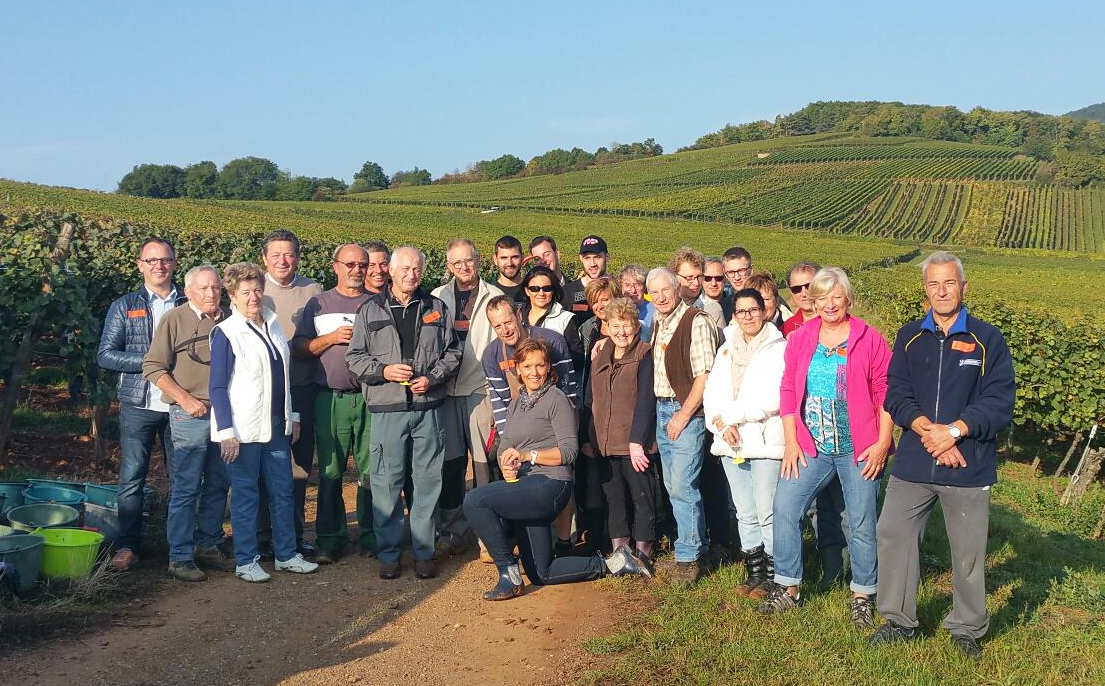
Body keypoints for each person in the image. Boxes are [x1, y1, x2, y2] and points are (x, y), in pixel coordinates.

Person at [870, 252, 1015, 659]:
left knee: (968, 552)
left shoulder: (989, 340)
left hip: (968, 463)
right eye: (933, 284)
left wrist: (953, 433)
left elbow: (999, 403)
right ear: (925, 291)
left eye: (949, 283)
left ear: (964, 287)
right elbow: (896, 394)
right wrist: (928, 432)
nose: (941, 291)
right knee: (893, 533)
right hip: (916, 461)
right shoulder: (909, 336)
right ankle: (899, 619)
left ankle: (966, 627)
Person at [463, 339, 651, 601]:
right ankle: (616, 564)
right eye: (527, 366)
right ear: (518, 369)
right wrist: (508, 463)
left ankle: (508, 572)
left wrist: (529, 455)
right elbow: (506, 444)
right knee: (542, 572)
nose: (534, 372)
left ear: (548, 366)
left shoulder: (556, 399)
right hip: (526, 486)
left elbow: (569, 452)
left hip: (551, 484)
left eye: (540, 365)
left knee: (475, 500)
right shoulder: (517, 403)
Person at [758, 268, 894, 630]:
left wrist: (882, 443)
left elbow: (886, 394)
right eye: (822, 298)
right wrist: (791, 441)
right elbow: (788, 390)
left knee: (862, 521)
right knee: (784, 506)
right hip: (811, 446)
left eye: (836, 296)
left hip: (858, 449)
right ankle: (788, 588)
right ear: (813, 303)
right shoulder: (802, 338)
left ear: (847, 298)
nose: (830, 304)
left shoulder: (869, 338)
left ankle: (863, 595)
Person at [346, 246, 462, 580]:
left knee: (426, 482)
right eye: (405, 269)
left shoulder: (436, 308)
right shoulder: (370, 311)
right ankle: (389, 553)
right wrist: (384, 371)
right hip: (387, 411)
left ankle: (424, 552)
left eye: (417, 269)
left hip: (428, 410)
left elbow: (453, 352)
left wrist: (434, 378)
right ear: (391, 272)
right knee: (386, 483)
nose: (411, 275)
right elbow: (354, 358)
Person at [209, 262, 319, 582]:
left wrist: (292, 416)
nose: (253, 297)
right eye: (246, 292)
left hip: (276, 425)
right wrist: (226, 432)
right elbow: (217, 386)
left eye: (257, 289)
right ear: (232, 296)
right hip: (243, 430)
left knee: (283, 490)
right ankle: (246, 561)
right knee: (246, 496)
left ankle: (286, 555)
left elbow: (283, 377)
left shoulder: (272, 325)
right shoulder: (227, 333)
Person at [97, 237, 184, 571]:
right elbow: (106, 355)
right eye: (151, 261)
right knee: (132, 476)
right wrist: (152, 361)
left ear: (174, 263)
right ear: (140, 265)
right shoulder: (125, 305)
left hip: (180, 402)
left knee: (183, 477)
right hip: (139, 402)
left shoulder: (190, 302)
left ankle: (178, 545)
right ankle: (128, 545)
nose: (158, 266)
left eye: (164, 260)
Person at [142, 265, 234, 582]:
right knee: (186, 487)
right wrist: (184, 399)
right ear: (189, 291)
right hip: (189, 415)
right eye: (204, 288)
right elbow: (153, 367)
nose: (211, 293)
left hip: (224, 416)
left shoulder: (230, 321)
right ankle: (180, 555)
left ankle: (208, 544)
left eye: (216, 288)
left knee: (219, 483)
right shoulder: (175, 319)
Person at [294, 243, 379, 563]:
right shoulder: (318, 303)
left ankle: (372, 534)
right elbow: (299, 347)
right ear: (336, 266)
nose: (357, 270)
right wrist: (331, 338)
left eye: (362, 265)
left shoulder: (377, 303)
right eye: (350, 264)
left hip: (371, 397)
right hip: (330, 398)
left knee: (372, 471)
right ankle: (331, 539)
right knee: (331, 471)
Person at [702, 288, 786, 600]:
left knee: (767, 510)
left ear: (765, 311)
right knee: (744, 510)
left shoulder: (778, 348)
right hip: (731, 443)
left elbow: (773, 397)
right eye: (741, 311)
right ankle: (755, 571)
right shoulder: (726, 350)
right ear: (734, 315)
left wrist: (733, 417)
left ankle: (777, 575)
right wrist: (720, 426)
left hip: (764, 441)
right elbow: (712, 393)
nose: (748, 316)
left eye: (754, 310)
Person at [431, 238, 504, 557]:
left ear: (479, 261)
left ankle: (488, 533)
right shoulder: (437, 297)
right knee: (451, 464)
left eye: (468, 260)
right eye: (456, 263)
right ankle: (453, 529)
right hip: (446, 392)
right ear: (449, 266)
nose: (463, 267)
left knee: (484, 463)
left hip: (480, 391)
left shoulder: (495, 296)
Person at [647, 266, 718, 585]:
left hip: (684, 411)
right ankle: (698, 546)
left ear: (677, 289)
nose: (661, 297)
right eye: (655, 292)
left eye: (666, 290)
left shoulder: (696, 321)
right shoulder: (659, 324)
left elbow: (705, 375)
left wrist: (683, 414)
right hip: (663, 409)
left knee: (683, 485)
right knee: (675, 485)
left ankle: (688, 558)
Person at [260, 229, 322, 560]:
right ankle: (262, 536)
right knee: (261, 465)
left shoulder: (313, 290)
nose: (283, 260)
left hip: (301, 389)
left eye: (289, 254)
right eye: (276, 255)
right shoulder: (256, 289)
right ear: (265, 258)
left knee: (298, 466)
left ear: (297, 257)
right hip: (262, 394)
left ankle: (295, 535)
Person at [669, 248, 729, 565]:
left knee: (702, 479)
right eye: (688, 277)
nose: (694, 283)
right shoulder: (666, 312)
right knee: (687, 480)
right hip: (681, 405)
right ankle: (700, 542)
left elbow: (708, 370)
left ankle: (709, 546)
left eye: (698, 277)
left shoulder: (708, 312)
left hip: (701, 408)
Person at [589, 298, 658, 563]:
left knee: (642, 496)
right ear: (606, 326)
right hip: (605, 440)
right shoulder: (599, 353)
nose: (621, 332)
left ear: (636, 326)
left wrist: (636, 441)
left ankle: (643, 550)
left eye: (626, 325)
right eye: (615, 325)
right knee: (614, 496)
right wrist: (590, 436)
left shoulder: (644, 353)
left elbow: (645, 400)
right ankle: (620, 549)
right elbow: (591, 397)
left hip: (634, 443)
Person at [519, 265, 583, 375]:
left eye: (547, 288)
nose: (541, 293)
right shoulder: (517, 317)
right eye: (535, 289)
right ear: (526, 290)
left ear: (553, 290)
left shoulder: (565, 319)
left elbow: (577, 360)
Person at [562, 235, 609, 320]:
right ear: (581, 259)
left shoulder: (618, 290)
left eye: (597, 257)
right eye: (587, 258)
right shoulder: (567, 292)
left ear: (607, 257)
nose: (592, 263)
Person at [781, 261, 820, 338]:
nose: (804, 294)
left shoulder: (835, 322)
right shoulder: (786, 328)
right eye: (796, 289)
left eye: (809, 286)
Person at [619, 264, 654, 341]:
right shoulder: (616, 310)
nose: (633, 290)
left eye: (637, 284)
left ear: (644, 287)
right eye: (627, 285)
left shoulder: (655, 310)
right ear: (621, 287)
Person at [492, 235, 524, 302]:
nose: (509, 263)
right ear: (495, 260)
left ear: (522, 258)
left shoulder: (535, 291)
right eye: (504, 258)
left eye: (515, 257)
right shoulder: (489, 293)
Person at [702, 257, 732, 327]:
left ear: (725, 278)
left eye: (718, 278)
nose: (713, 283)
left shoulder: (734, 303)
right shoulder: (693, 306)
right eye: (708, 278)